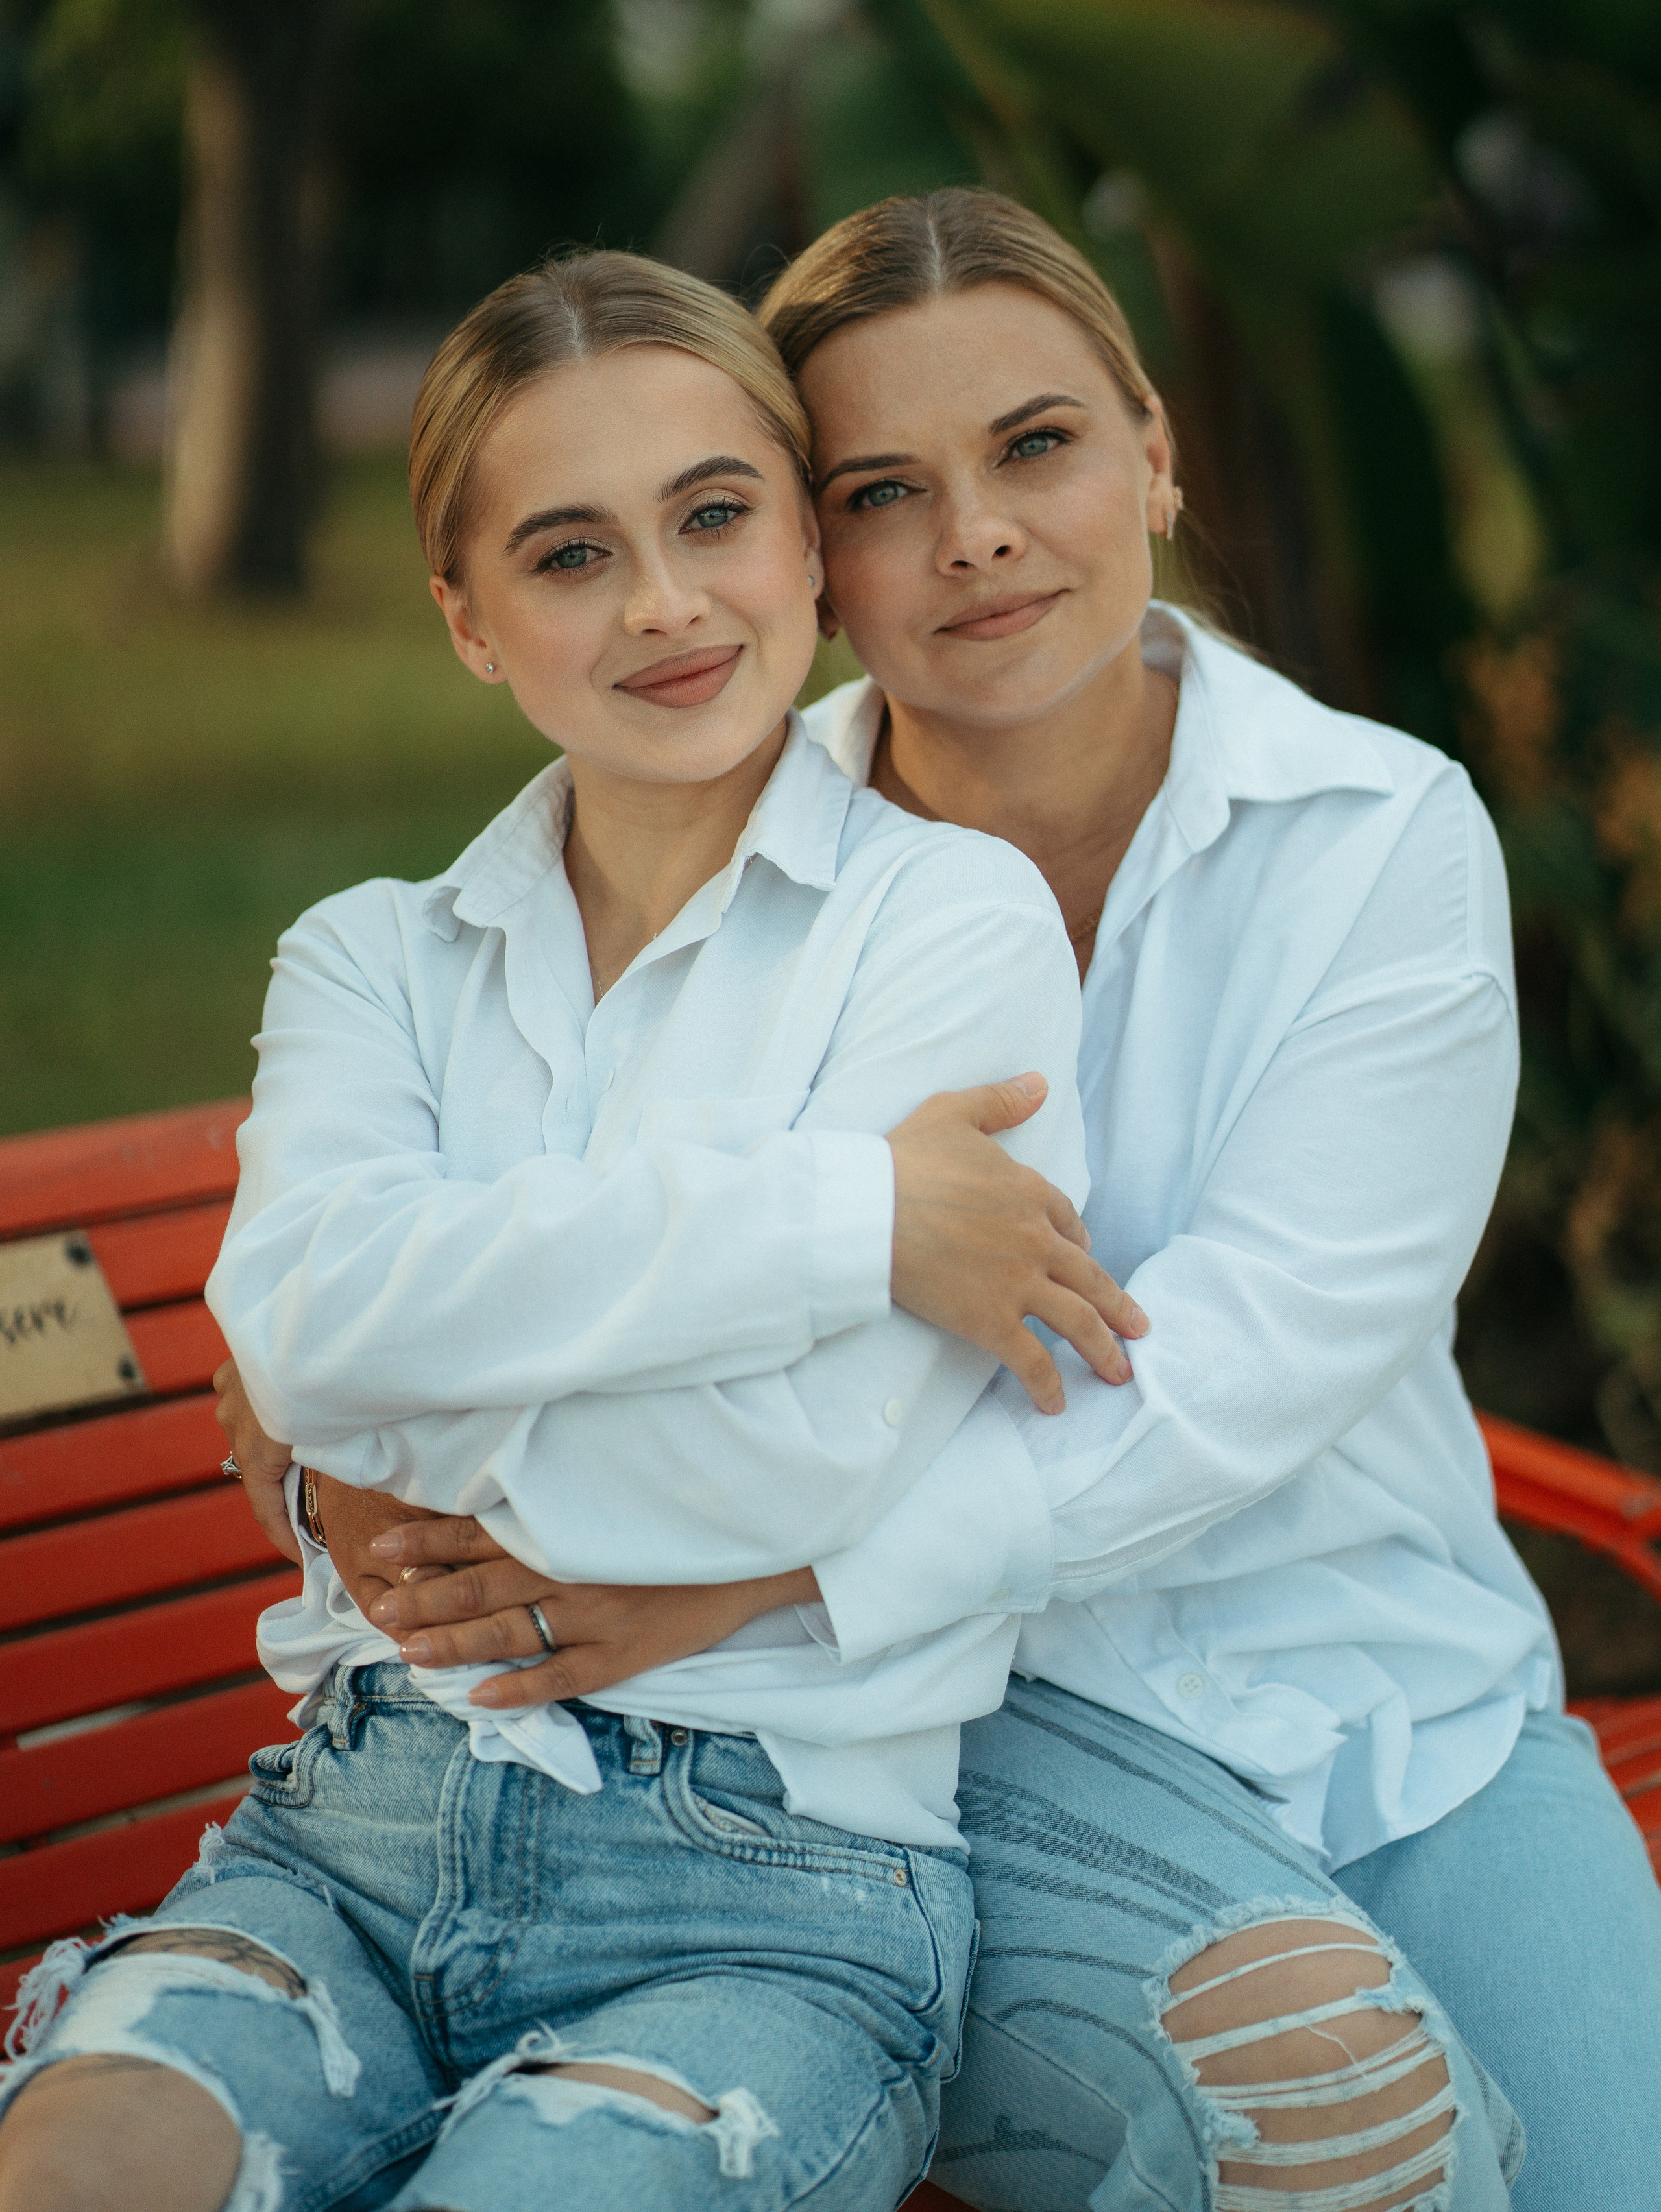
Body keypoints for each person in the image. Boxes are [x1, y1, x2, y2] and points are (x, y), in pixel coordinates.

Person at [216, 189, 1661, 2211]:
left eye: (1039, 444)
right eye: (888, 486)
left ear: (1156, 449)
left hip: (1363, 1676)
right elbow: (449, 1179)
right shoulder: (727, 814)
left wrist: (759, 1583)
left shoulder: (1374, 834)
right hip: (939, 1745)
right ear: (818, 543)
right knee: (1338, 2121)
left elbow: (1246, 1370)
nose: (975, 530)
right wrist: (304, 1431)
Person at [0, 246, 1148, 2212]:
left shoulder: (944, 926)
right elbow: (303, 1319)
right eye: (569, 553)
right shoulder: (374, 957)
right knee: (78, 2175)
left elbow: (781, 1460)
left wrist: (396, 1398)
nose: (668, 603)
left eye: (714, 514)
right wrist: (847, 1212)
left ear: (801, 532)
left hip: (770, 1882)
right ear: (467, 618)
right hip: (347, 1829)